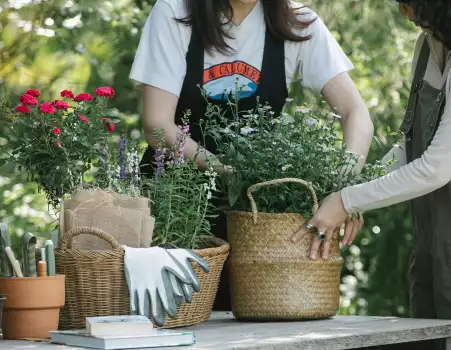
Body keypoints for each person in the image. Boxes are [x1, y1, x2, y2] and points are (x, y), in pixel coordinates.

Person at [293, 1, 451, 349]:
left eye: (412, 3)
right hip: (434, 262)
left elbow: (435, 169)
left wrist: (345, 200)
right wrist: (356, 194)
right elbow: (411, 146)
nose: (405, 13)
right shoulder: (431, 46)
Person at [129, 0, 373, 311]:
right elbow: (157, 125)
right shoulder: (175, 12)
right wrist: (231, 173)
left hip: (254, 215)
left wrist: (344, 190)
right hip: (177, 207)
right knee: (176, 319)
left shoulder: (296, 22)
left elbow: (356, 113)